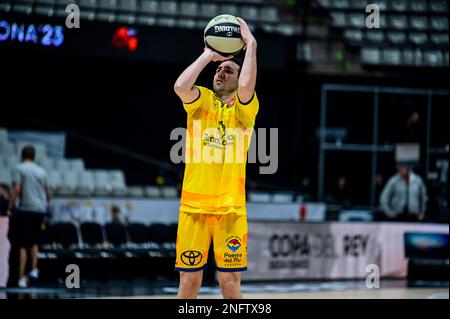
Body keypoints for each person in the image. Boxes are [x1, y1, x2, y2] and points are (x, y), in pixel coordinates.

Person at [173, 17, 258, 299]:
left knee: (230, 283)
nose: (221, 73)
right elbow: (180, 87)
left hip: (230, 210)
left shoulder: (246, 108)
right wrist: (208, 55)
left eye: (229, 71)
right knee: (188, 284)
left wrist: (252, 47)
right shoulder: (203, 100)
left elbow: (246, 88)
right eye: (219, 70)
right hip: (193, 209)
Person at [7, 145, 51, 288]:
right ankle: (33, 272)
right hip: (40, 210)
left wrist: (10, 207)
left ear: (22, 155)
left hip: (26, 210)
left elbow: (17, 189)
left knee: (22, 245)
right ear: (34, 156)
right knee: (34, 243)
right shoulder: (42, 171)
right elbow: (48, 193)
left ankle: (20, 278)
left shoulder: (20, 168)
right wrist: (45, 206)